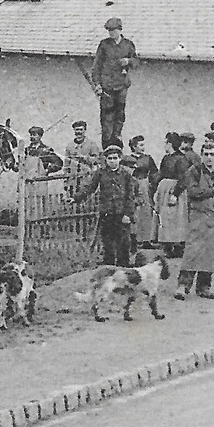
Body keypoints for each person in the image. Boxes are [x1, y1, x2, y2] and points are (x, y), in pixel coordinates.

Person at [175, 141, 214, 299]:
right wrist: (211, 191)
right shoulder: (193, 171)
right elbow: (193, 192)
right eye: (206, 154)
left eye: (212, 154)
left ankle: (204, 287)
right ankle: (183, 286)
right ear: (201, 156)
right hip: (198, 216)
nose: (209, 158)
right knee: (193, 251)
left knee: (210, 252)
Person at [74, 145, 136, 265]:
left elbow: (130, 196)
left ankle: (123, 269)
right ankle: (109, 268)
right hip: (106, 213)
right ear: (106, 160)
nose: (112, 161)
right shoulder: (101, 173)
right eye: (109, 158)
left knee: (123, 243)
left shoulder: (126, 174)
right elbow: (90, 188)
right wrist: (76, 198)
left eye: (115, 158)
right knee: (108, 243)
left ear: (120, 159)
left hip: (121, 214)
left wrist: (128, 214)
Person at [92, 18, 138, 148]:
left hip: (122, 85)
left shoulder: (128, 44)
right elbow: (96, 66)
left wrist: (128, 61)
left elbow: (136, 62)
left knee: (120, 114)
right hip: (107, 86)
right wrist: (97, 84)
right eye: (109, 31)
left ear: (120, 29)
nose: (111, 33)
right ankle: (107, 143)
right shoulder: (104, 45)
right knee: (107, 115)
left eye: (113, 30)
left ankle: (117, 138)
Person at [155, 133, 191, 258]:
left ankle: (178, 246)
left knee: (176, 218)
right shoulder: (166, 158)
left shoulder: (181, 159)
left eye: (166, 142)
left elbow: (184, 178)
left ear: (170, 143)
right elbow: (161, 174)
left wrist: (175, 194)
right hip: (164, 190)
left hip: (175, 191)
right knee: (165, 218)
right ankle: (167, 246)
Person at [125, 136, 158, 249]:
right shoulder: (127, 159)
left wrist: (152, 185)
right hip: (131, 185)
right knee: (134, 211)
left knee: (146, 210)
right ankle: (134, 238)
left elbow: (154, 173)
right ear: (134, 147)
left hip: (144, 185)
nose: (143, 148)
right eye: (140, 145)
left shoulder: (148, 158)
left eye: (143, 145)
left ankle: (146, 239)